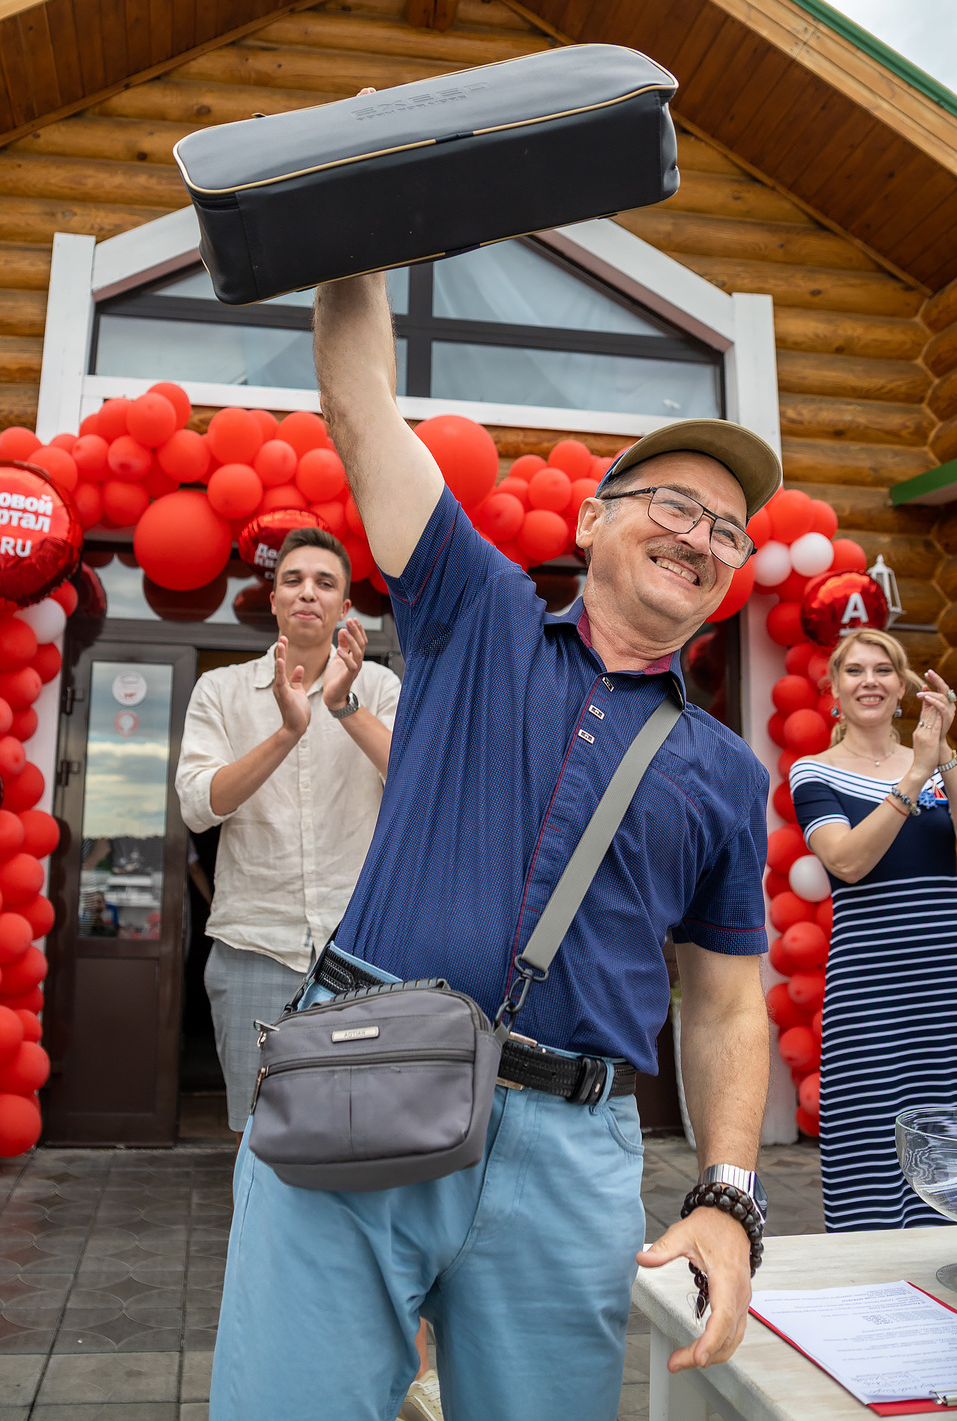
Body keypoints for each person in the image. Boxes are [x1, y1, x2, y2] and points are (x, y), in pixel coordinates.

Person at [209, 272, 781, 1421]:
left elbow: (726, 1003)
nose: (701, 536)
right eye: (675, 504)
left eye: (727, 530)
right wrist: (355, 244)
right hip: (363, 1077)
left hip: (573, 1155)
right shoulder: (477, 609)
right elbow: (360, 401)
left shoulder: (727, 771)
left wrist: (729, 1190)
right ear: (593, 519)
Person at [175, 525, 399, 1140]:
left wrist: (344, 706)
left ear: (344, 607)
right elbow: (199, 805)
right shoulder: (220, 690)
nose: (307, 592)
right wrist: (287, 733)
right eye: (292, 580)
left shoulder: (378, 687)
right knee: (257, 1140)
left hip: (359, 952)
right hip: (255, 947)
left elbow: (415, 784)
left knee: (356, 1135)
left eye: (324, 582)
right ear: (273, 598)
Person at [790, 629, 957, 1231]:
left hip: (946, 990)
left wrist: (944, 753)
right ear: (834, 689)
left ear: (903, 687)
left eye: (883, 670)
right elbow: (848, 862)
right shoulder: (814, 773)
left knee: (949, 1138)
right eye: (855, 670)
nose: (870, 681)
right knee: (870, 1139)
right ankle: (871, 1274)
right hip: (871, 992)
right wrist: (914, 776)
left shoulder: (942, 765)